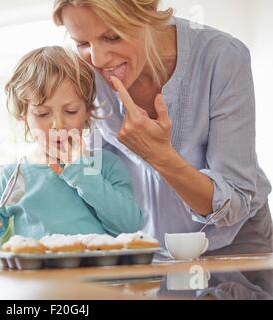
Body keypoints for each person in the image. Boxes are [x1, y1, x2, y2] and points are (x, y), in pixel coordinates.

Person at [52, 0, 272, 256]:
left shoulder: (222, 57)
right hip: (149, 246)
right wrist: (28, 175)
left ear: (148, 9)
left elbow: (234, 203)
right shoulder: (83, 69)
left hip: (234, 244)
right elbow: (93, 169)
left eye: (112, 37)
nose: (98, 59)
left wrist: (161, 156)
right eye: (82, 43)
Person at [0, 46, 143, 258]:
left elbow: (128, 227)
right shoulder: (12, 177)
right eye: (42, 113)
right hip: (39, 287)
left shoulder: (107, 165)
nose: (57, 124)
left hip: (99, 287)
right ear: (24, 118)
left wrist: (81, 172)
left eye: (70, 111)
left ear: (87, 112)